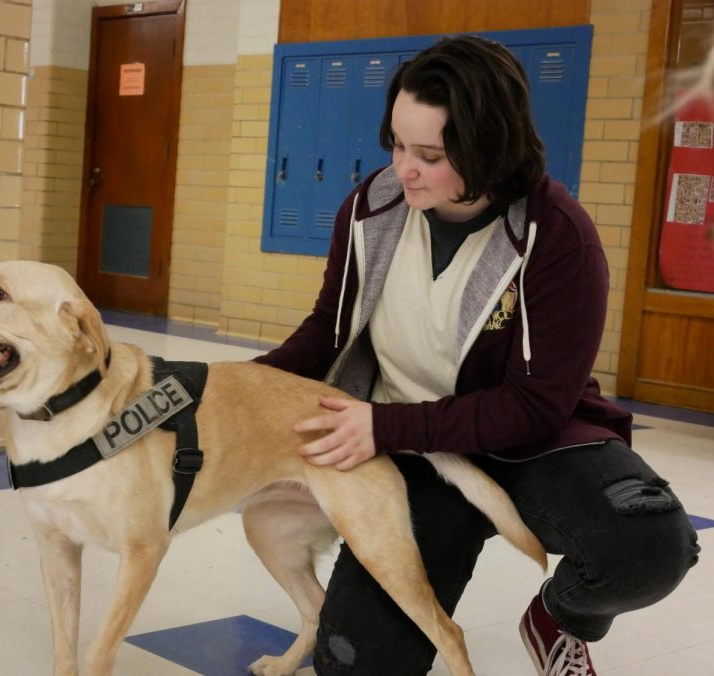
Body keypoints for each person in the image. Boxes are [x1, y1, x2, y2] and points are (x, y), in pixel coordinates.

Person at [254, 35, 700, 675]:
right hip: (413, 450)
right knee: (356, 661)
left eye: (429, 155)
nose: (403, 168)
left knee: (647, 547)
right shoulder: (370, 209)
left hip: (530, 442)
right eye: (398, 144)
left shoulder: (558, 235)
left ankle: (557, 619)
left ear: (489, 148)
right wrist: (225, 384)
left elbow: (535, 405)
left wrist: (382, 426)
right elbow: (328, 332)